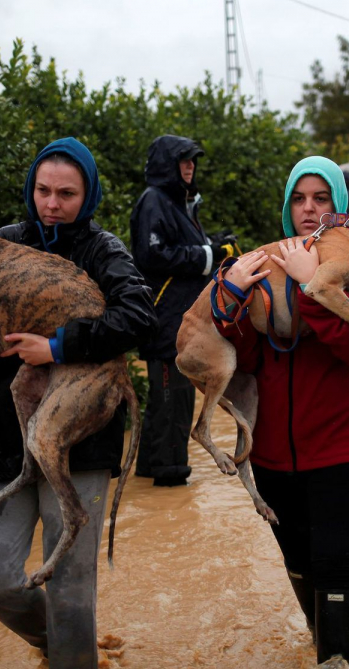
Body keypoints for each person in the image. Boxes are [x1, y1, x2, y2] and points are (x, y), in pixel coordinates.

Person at [0, 138, 156, 668]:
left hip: (84, 444)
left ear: (87, 195)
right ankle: (53, 644)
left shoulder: (103, 251)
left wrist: (58, 347)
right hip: (2, 438)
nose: (51, 203)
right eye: (43, 191)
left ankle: (73, 651)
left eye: (66, 193)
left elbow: (140, 318)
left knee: (72, 595)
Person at [214, 155, 349, 668]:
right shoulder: (267, 265)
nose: (309, 209)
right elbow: (246, 362)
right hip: (275, 453)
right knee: (299, 563)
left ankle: (339, 659)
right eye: (299, 198)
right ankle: (329, 653)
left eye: (321, 199)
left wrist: (310, 286)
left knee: (335, 565)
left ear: (340, 205)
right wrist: (230, 305)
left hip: (348, 448)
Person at [130, 135, 235, 486]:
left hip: (180, 323)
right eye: (183, 160)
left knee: (167, 401)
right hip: (165, 323)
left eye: (193, 161)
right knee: (172, 401)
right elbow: (153, 256)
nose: (190, 167)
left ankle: (148, 471)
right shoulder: (154, 201)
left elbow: (179, 248)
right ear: (167, 165)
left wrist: (211, 244)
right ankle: (169, 477)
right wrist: (210, 255)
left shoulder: (177, 202)